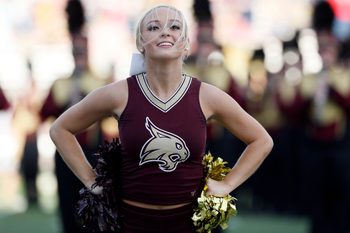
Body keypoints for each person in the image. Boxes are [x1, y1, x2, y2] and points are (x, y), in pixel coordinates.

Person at [49, 4, 273, 233]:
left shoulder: (207, 95)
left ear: (186, 44)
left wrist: (227, 185)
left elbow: (261, 140)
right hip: (131, 224)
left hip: (189, 225)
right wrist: (91, 181)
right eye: (154, 27)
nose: (165, 31)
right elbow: (61, 129)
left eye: (175, 27)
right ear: (140, 43)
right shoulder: (119, 93)